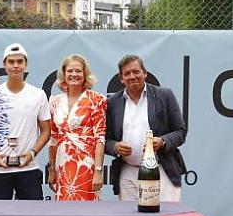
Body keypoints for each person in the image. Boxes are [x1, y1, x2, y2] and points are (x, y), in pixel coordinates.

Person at [105, 55, 187, 202]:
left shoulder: (165, 95)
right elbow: (104, 139)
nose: (132, 76)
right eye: (127, 73)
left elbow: (180, 131)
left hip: (161, 168)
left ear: (145, 73)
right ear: (121, 78)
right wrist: (115, 146)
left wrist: (162, 141)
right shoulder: (112, 103)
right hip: (127, 172)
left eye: (136, 71)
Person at [0, 43, 51, 200]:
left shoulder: (38, 95)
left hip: (29, 169)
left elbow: (46, 130)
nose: (16, 66)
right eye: (11, 62)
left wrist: (31, 154)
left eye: (20, 61)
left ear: (26, 64)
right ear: (4, 65)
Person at [47, 54, 107, 201]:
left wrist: (98, 171)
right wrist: (52, 170)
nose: (74, 74)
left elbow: (100, 138)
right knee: (63, 210)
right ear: (64, 74)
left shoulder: (97, 99)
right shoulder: (55, 101)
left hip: (86, 164)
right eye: (70, 71)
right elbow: (53, 139)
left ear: (85, 74)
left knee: (88, 211)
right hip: (62, 163)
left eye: (78, 71)